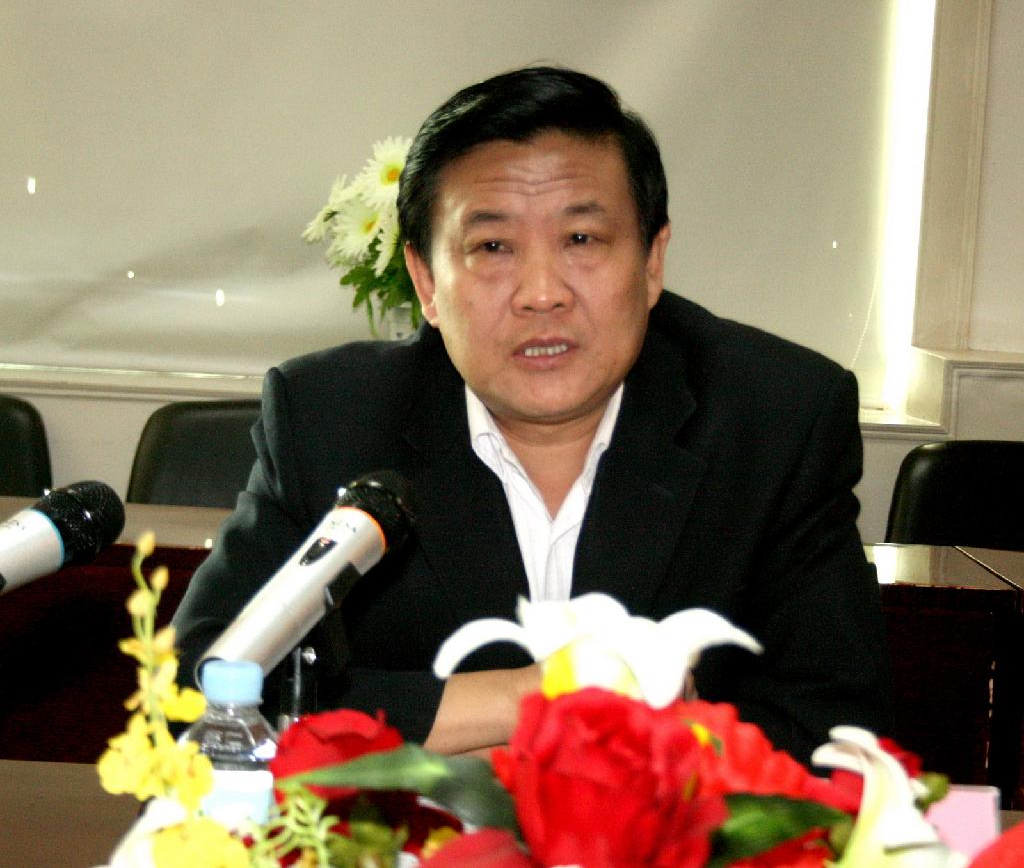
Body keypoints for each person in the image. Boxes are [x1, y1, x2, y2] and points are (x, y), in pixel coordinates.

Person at [172, 66, 891, 765]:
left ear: (652, 262)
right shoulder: (331, 419)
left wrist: (655, 751)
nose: (542, 292)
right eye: (492, 247)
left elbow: (837, 735)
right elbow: (197, 696)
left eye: (581, 240)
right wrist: (533, 699)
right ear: (425, 281)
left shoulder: (774, 419)